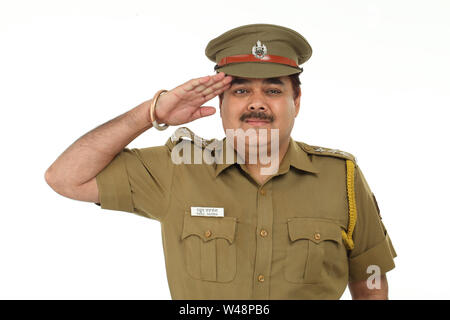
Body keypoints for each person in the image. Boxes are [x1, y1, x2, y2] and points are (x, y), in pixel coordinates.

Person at [45, 24, 397, 299]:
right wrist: (152, 113)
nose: (256, 104)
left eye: (273, 91)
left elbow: (370, 279)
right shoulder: (179, 166)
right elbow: (65, 178)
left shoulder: (341, 177)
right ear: (222, 102)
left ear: (297, 101)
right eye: (241, 91)